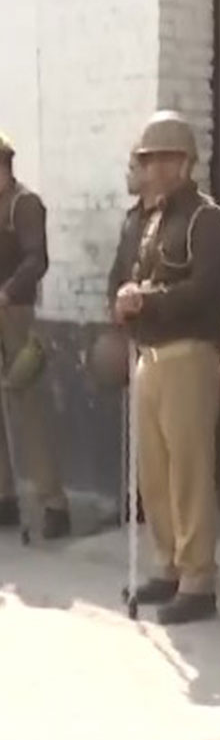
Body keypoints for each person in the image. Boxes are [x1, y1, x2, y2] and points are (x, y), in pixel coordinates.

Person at [109, 111, 220, 625]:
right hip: (148, 356)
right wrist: (120, 301)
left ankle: (198, 577)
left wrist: (149, 301)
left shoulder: (208, 220)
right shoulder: (145, 219)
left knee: (188, 471)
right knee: (154, 472)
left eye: (160, 159)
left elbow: (209, 289)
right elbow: (124, 275)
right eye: (146, 160)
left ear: (183, 163)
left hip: (188, 355)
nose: (151, 170)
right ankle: (168, 564)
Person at [0, 130, 69, 539]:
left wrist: (7, 293)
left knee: (28, 408)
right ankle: (4, 498)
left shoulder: (25, 205)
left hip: (17, 314)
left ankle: (53, 503)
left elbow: (36, 258)